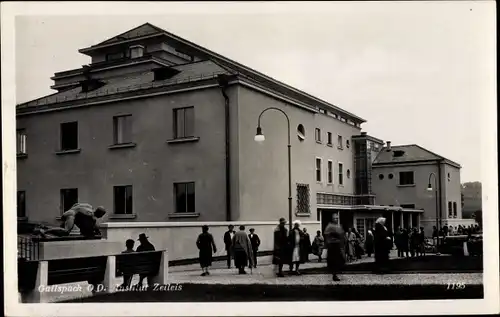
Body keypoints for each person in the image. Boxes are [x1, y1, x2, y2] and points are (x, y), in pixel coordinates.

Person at [35, 203, 106, 238]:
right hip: (71, 215)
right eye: (102, 215)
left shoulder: (89, 206)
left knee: (61, 232)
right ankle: (44, 231)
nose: (101, 217)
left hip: (70, 212)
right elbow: (93, 226)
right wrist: (98, 232)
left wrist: (74, 213)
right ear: (99, 213)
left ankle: (44, 227)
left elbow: (76, 204)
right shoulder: (91, 215)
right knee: (66, 231)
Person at [324, 213, 345, 281]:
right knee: (333, 260)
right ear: (332, 219)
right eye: (334, 218)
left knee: (340, 259)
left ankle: (336, 272)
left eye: (337, 218)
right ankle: (334, 274)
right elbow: (326, 236)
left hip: (337, 245)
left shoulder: (338, 226)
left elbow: (341, 235)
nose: (336, 219)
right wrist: (328, 243)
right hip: (332, 245)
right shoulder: (329, 226)